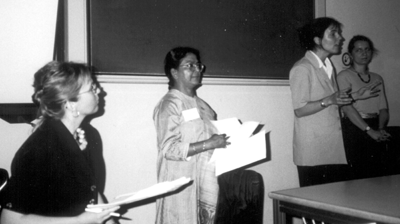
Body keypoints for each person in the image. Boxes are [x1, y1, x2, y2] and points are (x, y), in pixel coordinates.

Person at [0, 61, 119, 224]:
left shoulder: (89, 135)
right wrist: (79, 221)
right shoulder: (39, 150)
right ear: (70, 103)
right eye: (92, 87)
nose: (99, 90)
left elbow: (91, 193)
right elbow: (10, 220)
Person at [289, 18, 381, 187]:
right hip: (313, 152)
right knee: (315, 206)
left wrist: (356, 96)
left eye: (339, 33)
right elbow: (300, 110)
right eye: (333, 33)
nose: (340, 38)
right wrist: (329, 100)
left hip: (332, 148)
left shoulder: (328, 66)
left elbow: (334, 101)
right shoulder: (302, 68)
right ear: (317, 40)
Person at [153, 47, 230, 224]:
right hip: (181, 184)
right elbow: (168, 149)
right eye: (189, 65)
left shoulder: (204, 106)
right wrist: (209, 144)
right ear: (174, 72)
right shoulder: (169, 104)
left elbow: (212, 139)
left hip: (206, 182)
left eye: (198, 65)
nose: (197, 70)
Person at [338, 35, 399, 179]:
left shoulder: (377, 78)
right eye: (358, 50)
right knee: (357, 176)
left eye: (367, 49)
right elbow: (347, 108)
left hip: (376, 126)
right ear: (351, 54)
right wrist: (369, 131)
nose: (364, 53)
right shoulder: (343, 76)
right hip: (354, 128)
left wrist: (381, 128)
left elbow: (383, 108)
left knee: (376, 175)